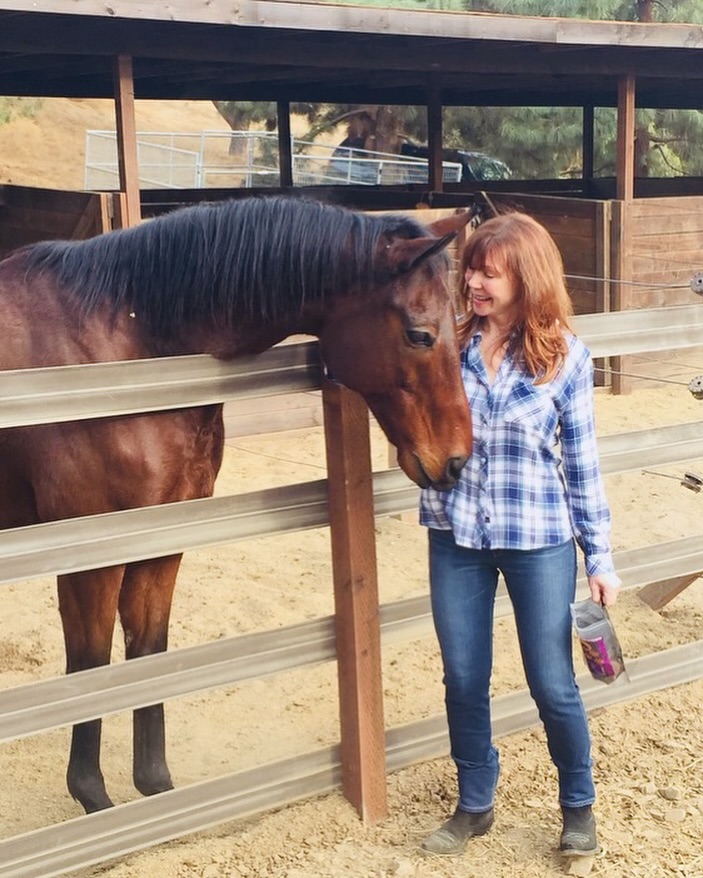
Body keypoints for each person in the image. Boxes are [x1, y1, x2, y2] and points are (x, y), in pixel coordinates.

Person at [418, 211, 621, 859]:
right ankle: (474, 802)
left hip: (537, 539)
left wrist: (599, 556)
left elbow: (581, 463)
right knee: (461, 675)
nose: (472, 281)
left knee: (550, 681)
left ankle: (578, 804)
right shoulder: (442, 340)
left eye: (488, 272)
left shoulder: (564, 354)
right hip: (455, 537)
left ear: (525, 277)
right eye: (469, 268)